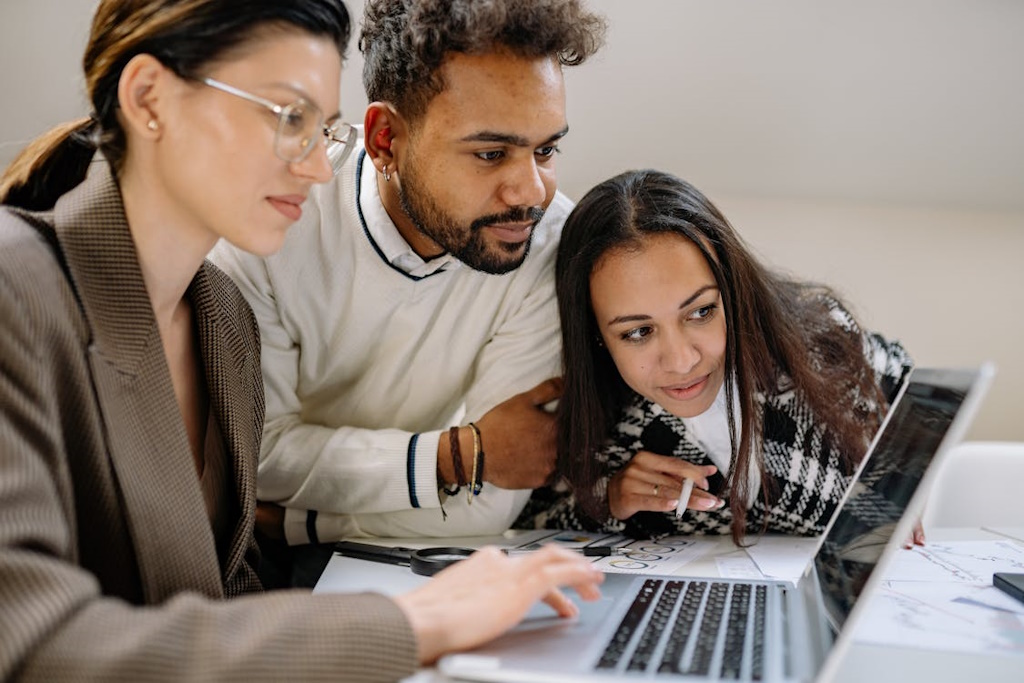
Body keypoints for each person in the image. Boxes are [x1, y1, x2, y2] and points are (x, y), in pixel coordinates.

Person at [0, 1, 604, 680]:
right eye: (288, 117)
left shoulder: (219, 319)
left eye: (320, 128)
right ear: (149, 98)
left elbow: (234, 602)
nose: (320, 168)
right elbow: (33, 646)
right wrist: (414, 622)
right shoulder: (13, 288)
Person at [208, 0, 607, 570]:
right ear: (386, 140)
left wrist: (295, 521)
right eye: (491, 154)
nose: (530, 192)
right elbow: (256, 457)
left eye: (545, 150)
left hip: (412, 558)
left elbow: (491, 501)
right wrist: (454, 459)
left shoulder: (550, 244)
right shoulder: (274, 222)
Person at [518, 169, 914, 545]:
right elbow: (529, 528)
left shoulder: (821, 348)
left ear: (733, 290)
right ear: (597, 335)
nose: (681, 360)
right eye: (638, 332)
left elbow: (917, 406)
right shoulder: (605, 426)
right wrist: (611, 500)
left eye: (701, 312)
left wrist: (912, 489)